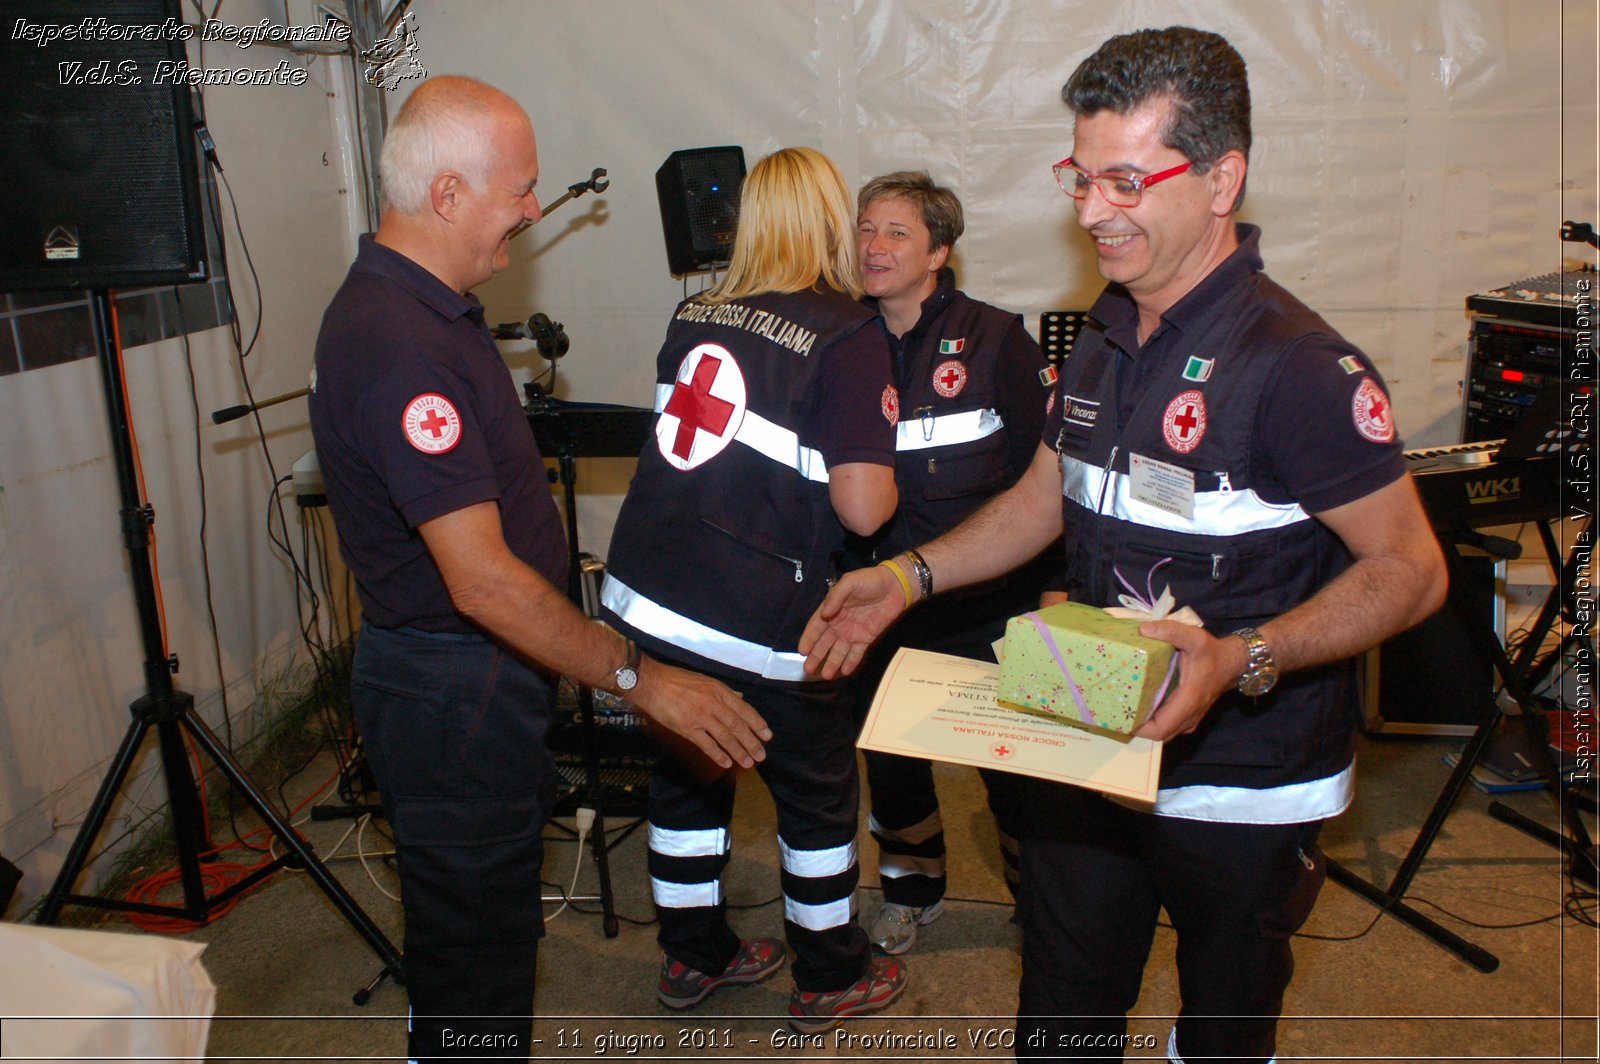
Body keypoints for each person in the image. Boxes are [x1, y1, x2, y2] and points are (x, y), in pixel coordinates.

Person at [801, 27, 1449, 1063]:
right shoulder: (1104, 331)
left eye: (1125, 180)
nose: (1091, 210)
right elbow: (1038, 500)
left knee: (1224, 1022)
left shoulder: (1300, 368)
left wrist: (1244, 656)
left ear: (1222, 176)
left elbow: (1412, 569)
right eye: (1079, 176)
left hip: (1241, 772)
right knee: (1062, 1007)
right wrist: (904, 574)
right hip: (1088, 730)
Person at [308, 76, 770, 1062]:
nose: (531, 207)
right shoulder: (396, 341)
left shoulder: (434, 308)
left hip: (474, 679)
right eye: (517, 188)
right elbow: (480, 580)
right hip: (447, 690)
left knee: (488, 939)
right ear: (444, 195)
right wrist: (639, 678)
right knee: (474, 959)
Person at [598, 147, 906, 1035]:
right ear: (825, 221)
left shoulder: (694, 312)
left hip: (653, 598)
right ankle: (829, 973)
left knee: (686, 777)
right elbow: (859, 507)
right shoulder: (848, 335)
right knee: (814, 796)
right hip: (759, 616)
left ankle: (694, 957)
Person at [848, 171, 1052, 954]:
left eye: (896, 232)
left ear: (939, 250)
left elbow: (1052, 478)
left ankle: (1039, 903)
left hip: (987, 603)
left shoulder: (999, 339)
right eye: (867, 229)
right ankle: (911, 889)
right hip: (882, 599)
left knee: (1015, 772)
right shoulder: (842, 340)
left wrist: (1059, 595)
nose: (875, 246)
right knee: (894, 764)